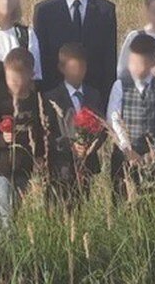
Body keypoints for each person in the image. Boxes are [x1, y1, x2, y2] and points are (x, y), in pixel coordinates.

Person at [33, 0, 118, 101]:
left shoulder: (105, 11)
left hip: (95, 98)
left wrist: (106, 100)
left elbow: (109, 61)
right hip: (57, 98)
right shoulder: (45, 11)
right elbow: (43, 59)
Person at [107, 33, 155, 199]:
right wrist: (127, 148)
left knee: (150, 200)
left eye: (141, 63)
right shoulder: (120, 86)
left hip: (152, 157)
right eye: (133, 62)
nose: (136, 67)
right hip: (124, 155)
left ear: (153, 63)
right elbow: (113, 117)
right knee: (122, 199)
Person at [0, 48, 45, 230]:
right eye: (11, 80)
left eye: (19, 81)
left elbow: (41, 131)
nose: (15, 85)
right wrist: (2, 139)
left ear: (31, 76)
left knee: (17, 216)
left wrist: (39, 156)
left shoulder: (36, 101)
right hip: (0, 169)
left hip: (24, 169)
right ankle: (3, 255)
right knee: (2, 220)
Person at [43, 43, 105, 206]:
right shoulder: (51, 97)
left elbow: (102, 128)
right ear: (62, 68)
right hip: (60, 166)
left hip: (87, 164)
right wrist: (71, 145)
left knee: (82, 206)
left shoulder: (94, 94)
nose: (78, 72)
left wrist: (91, 145)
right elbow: (47, 132)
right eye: (73, 68)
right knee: (58, 208)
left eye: (82, 68)